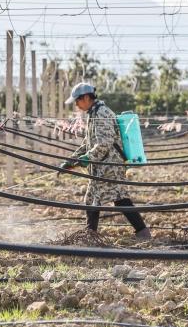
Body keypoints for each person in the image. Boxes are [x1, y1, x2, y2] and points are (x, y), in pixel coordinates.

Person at [60, 83, 152, 240]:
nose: (76, 104)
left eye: (77, 100)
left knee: (118, 199)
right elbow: (88, 143)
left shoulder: (101, 113)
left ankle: (140, 233)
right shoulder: (93, 113)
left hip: (110, 166)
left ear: (87, 97)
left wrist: (88, 158)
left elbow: (104, 143)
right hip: (102, 165)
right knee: (97, 199)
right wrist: (72, 160)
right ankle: (92, 235)